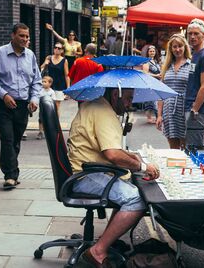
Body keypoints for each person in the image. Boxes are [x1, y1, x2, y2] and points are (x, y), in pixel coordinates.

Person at [68, 88, 160, 267]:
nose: (129, 104)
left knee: (127, 184)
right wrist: (141, 166)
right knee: (136, 198)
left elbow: (106, 147)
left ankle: (107, 238)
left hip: (85, 169)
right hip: (86, 176)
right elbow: (112, 154)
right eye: (127, 99)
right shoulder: (104, 113)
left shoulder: (96, 104)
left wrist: (129, 155)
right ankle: (97, 251)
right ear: (115, 94)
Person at [0, 23, 42, 189]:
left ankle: (11, 171)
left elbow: (36, 81)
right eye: (21, 36)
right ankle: (10, 175)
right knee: (7, 137)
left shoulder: (30, 55)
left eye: (27, 36)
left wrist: (34, 99)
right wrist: (4, 95)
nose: (25, 39)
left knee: (15, 139)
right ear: (13, 36)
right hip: (1, 104)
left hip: (22, 105)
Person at [156, 34, 192, 149]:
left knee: (186, 145)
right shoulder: (166, 66)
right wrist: (159, 115)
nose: (177, 49)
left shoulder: (191, 65)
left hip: (184, 108)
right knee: (173, 147)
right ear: (170, 49)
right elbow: (161, 92)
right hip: (168, 109)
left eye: (180, 46)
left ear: (185, 47)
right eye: (174, 47)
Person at [185, 19, 204, 151]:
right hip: (193, 108)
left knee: (195, 150)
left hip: (199, 111)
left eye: (196, 34)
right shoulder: (195, 54)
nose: (192, 37)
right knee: (190, 148)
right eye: (190, 33)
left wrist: (195, 109)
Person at [45, 42, 70, 115]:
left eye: (59, 48)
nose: (56, 49)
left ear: (62, 51)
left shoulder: (64, 61)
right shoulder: (49, 58)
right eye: (55, 47)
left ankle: (56, 125)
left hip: (59, 86)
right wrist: (45, 63)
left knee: (56, 107)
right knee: (48, 106)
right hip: (49, 86)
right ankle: (49, 123)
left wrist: (68, 88)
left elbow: (66, 75)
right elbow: (41, 69)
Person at [142, 45, 161, 124]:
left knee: (153, 101)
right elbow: (145, 73)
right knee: (152, 101)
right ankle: (153, 118)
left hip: (157, 83)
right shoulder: (146, 62)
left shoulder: (156, 61)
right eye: (150, 51)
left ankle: (153, 118)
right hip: (150, 83)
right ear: (148, 53)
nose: (152, 53)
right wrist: (156, 75)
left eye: (153, 51)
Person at [37, 75, 56, 140]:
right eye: (42, 81)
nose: (43, 83)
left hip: (49, 110)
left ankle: (48, 132)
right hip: (42, 108)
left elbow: (53, 100)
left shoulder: (52, 92)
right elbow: (38, 97)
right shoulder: (40, 91)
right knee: (40, 119)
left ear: (50, 83)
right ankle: (40, 131)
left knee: (48, 120)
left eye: (45, 82)